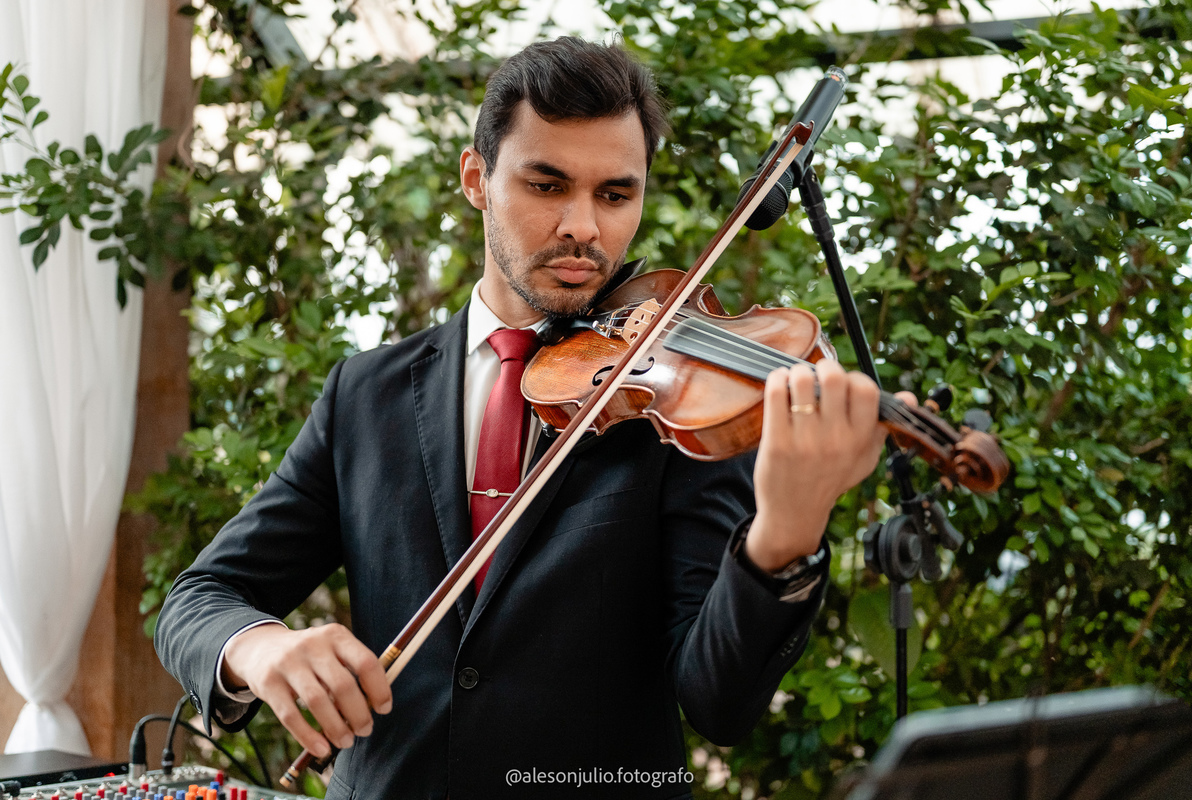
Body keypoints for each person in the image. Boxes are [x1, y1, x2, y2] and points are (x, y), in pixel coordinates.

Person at [155, 36, 899, 800]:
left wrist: (785, 535)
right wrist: (257, 648)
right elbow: (199, 598)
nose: (584, 226)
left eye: (615, 195)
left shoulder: (681, 402)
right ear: (476, 179)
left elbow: (718, 699)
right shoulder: (365, 395)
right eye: (547, 186)